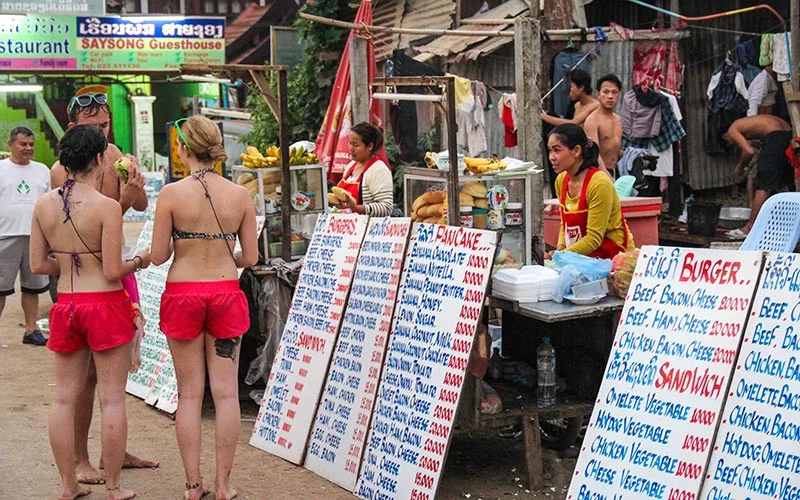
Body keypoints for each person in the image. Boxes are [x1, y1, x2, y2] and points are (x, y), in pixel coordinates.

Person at [30, 125, 150, 500]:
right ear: (99, 159)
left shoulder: (44, 204)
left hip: (67, 304)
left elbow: (38, 265)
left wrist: (68, 265)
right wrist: (139, 260)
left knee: (63, 398)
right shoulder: (107, 207)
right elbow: (113, 270)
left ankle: (69, 484)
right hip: (105, 304)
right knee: (112, 399)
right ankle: (113, 486)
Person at [51, 86, 157, 484]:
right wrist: (122, 203)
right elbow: (87, 223)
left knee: (116, 370)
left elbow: (139, 205)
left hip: (115, 269)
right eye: (93, 126)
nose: (102, 133)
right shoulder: (62, 169)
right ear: (73, 128)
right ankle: (79, 458)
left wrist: (134, 189)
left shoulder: (117, 157)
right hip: (86, 277)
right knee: (85, 378)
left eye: (105, 125)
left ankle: (114, 450)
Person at [150, 115, 257, 500]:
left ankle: (193, 485)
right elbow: (251, 257)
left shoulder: (171, 194)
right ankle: (224, 485)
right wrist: (224, 254)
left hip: (183, 294)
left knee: (190, 395)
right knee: (226, 394)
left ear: (183, 149)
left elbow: (159, 256)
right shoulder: (240, 195)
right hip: (225, 293)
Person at [544, 124, 634, 260]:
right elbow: (565, 225)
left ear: (576, 151)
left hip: (616, 258)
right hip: (582, 258)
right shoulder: (561, 180)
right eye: (550, 151)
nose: (551, 157)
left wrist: (559, 256)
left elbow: (594, 239)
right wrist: (561, 248)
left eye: (557, 150)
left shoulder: (599, 184)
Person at [0, 127, 51, 345]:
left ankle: (31, 330)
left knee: (33, 287)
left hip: (35, 238)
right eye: (23, 144)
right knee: (0, 289)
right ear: (10, 145)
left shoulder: (43, 170)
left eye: (31, 144)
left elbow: (50, 203)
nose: (28, 148)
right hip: (4, 236)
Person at [723, 115, 793, 237]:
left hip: (775, 136)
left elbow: (748, 151)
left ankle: (749, 228)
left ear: (725, 136)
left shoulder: (732, 130)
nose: (734, 143)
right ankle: (789, 224)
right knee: (782, 183)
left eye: (730, 143)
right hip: (788, 134)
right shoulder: (746, 124)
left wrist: (740, 168)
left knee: (763, 186)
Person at [331, 121, 394, 216]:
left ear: (370, 146)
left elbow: (386, 208)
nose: (351, 148)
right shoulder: (351, 166)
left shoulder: (379, 170)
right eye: (350, 143)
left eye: (355, 145)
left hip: (368, 224)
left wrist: (356, 208)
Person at [583, 74, 624, 177]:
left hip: (616, 171)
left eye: (614, 92)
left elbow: (615, 150)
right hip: (598, 173)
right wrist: (606, 175)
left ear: (619, 94)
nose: (610, 96)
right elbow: (594, 153)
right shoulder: (592, 120)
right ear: (598, 94)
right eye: (606, 92)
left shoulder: (619, 120)